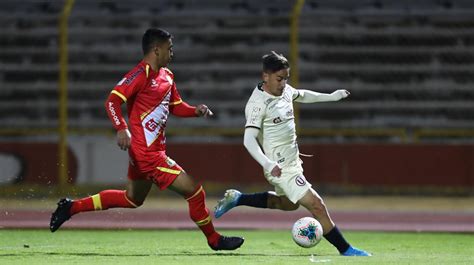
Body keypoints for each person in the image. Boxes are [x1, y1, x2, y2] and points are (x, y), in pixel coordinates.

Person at [50, 28, 244, 251]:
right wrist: (121, 128)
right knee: (194, 191)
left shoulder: (167, 75)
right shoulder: (139, 74)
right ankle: (214, 239)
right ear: (156, 50)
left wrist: (194, 111)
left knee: (132, 199)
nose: (172, 53)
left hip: (148, 152)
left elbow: (174, 106)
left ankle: (71, 207)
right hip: (148, 155)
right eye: (169, 49)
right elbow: (112, 101)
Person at [214, 51, 370, 256]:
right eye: (279, 79)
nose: (283, 83)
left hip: (292, 162)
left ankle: (238, 198)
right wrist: (268, 163)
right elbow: (248, 140)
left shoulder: (285, 90)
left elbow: (303, 95)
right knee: (317, 205)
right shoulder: (257, 104)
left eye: (286, 78)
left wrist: (331, 97)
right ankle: (346, 249)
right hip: (280, 167)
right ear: (265, 77)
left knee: (287, 205)